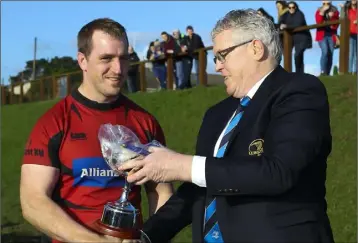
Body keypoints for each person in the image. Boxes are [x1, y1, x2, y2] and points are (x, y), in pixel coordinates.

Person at [119, 9, 334, 243]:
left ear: (255, 48)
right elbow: (200, 186)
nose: (218, 67)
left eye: (223, 55)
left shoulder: (299, 91)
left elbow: (278, 172)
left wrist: (181, 165)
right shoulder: (217, 114)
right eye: (215, 58)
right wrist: (145, 236)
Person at [20, 18, 174, 243]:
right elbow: (33, 202)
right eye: (106, 59)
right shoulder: (53, 122)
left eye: (124, 58)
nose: (118, 69)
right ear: (82, 60)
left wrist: (151, 238)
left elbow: (160, 192)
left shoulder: (145, 122)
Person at [280, 1, 312, 73]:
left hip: (302, 38)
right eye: (289, 7)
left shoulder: (299, 14)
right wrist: (281, 24)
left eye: (293, 7)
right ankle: (289, 73)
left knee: (298, 55)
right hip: (292, 38)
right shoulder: (286, 15)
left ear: (296, 7)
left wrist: (286, 26)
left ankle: (299, 73)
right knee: (288, 54)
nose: (291, 9)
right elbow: (281, 21)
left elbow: (299, 23)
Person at [315, 1, 340, 76]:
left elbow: (336, 24)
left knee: (330, 53)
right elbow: (318, 22)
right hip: (322, 35)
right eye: (324, 4)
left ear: (330, 3)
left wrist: (331, 16)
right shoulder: (319, 11)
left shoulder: (335, 11)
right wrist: (322, 13)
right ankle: (323, 71)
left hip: (331, 35)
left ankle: (327, 73)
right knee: (325, 52)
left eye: (327, 4)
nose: (326, 5)